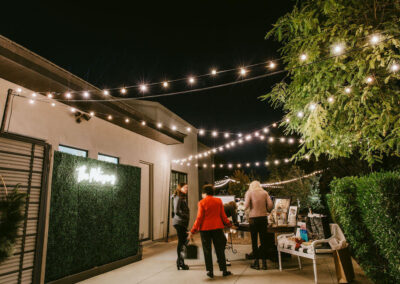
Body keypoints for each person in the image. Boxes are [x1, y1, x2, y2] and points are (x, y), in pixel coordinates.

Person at [188, 184, 232, 278]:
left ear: (204, 193)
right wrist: (229, 224)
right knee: (220, 249)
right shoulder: (218, 201)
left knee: (207, 250)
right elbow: (223, 215)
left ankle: (210, 271)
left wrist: (193, 230)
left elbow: (199, 218)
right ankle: (224, 270)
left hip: (205, 229)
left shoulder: (201, 202)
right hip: (217, 228)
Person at [244, 181, 273, 270]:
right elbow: (271, 205)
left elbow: (246, 206)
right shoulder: (265, 193)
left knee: (254, 241)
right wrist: (267, 210)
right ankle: (264, 264)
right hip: (263, 219)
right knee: (263, 241)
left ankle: (256, 263)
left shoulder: (249, 192)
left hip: (253, 219)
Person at [172, 183, 190, 270]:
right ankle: (180, 262)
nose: (187, 189)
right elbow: (176, 210)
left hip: (181, 223)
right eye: (185, 187)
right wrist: (185, 216)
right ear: (180, 188)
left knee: (184, 241)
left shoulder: (181, 197)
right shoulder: (178, 197)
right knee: (182, 242)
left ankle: (179, 261)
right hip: (179, 222)